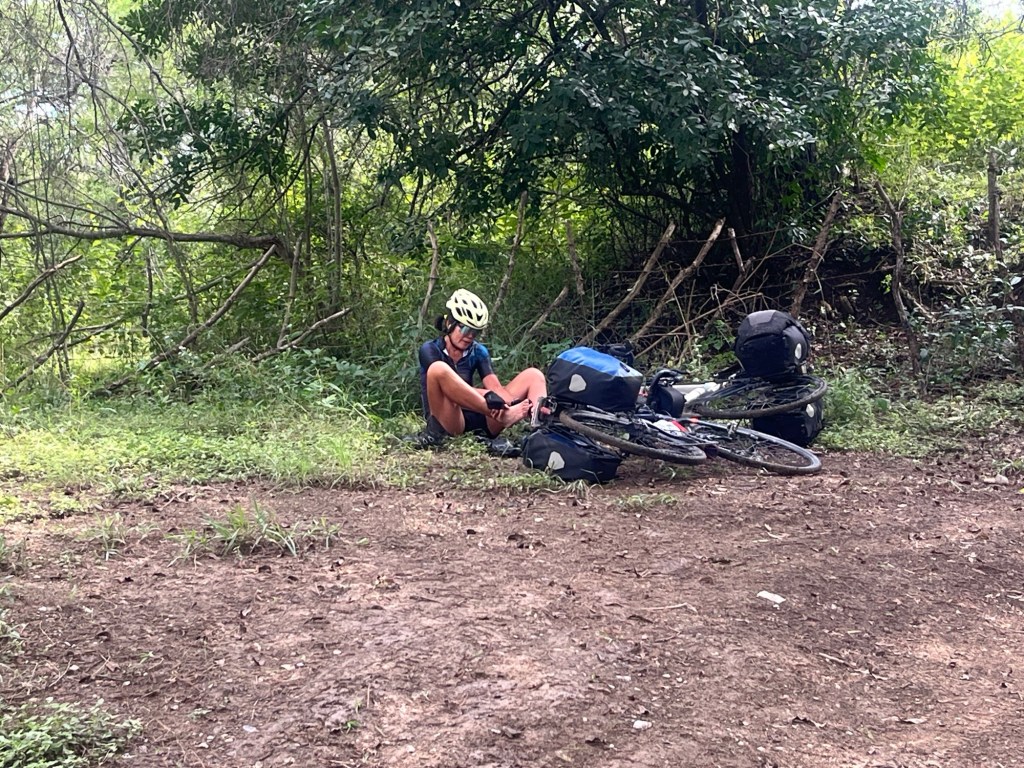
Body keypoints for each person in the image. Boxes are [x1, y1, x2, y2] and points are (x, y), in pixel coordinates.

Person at [408, 288, 547, 449]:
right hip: (450, 420)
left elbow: (495, 388)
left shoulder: (478, 351)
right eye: (465, 329)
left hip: (481, 419)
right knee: (438, 369)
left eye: (475, 332)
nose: (470, 336)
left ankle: (543, 430)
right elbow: (451, 389)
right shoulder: (430, 349)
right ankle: (503, 416)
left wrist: (512, 403)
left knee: (533, 375)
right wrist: (487, 396)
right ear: (449, 323)